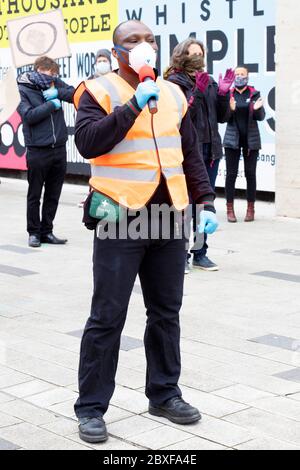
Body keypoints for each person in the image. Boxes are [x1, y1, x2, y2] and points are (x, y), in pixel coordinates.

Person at [72, 20, 219, 444]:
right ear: (116, 50)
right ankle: (91, 407)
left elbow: (189, 151)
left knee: (166, 311)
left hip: (169, 216)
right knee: (108, 315)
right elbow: (88, 143)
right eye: (133, 40)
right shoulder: (98, 90)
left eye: (150, 39)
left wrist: (205, 201)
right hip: (118, 216)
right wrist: (133, 105)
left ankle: (164, 393)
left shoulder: (174, 93)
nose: (144, 46)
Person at [165, 39, 233, 272]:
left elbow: (222, 117)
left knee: (204, 204)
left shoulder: (210, 81)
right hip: (186, 153)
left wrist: (223, 94)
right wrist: (195, 94)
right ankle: (179, 254)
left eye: (200, 54)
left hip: (210, 151)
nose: (197, 58)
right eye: (192, 54)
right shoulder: (173, 83)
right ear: (181, 56)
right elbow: (177, 117)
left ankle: (200, 252)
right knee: (184, 205)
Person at [17, 56, 75, 247]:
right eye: (51, 74)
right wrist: (52, 104)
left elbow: (74, 94)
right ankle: (33, 232)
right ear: (39, 69)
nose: (54, 78)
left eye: (55, 76)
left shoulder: (53, 83)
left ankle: (47, 231)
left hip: (58, 148)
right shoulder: (23, 89)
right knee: (35, 194)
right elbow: (28, 116)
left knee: (53, 193)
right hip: (37, 150)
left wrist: (57, 92)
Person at [223, 66, 265, 222]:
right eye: (237, 74)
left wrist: (257, 109)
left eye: (243, 74)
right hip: (231, 141)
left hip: (251, 141)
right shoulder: (229, 94)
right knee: (231, 175)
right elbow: (224, 118)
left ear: (248, 77)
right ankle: (229, 210)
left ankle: (250, 209)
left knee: (250, 174)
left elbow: (260, 117)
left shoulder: (254, 94)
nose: (240, 77)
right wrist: (231, 109)